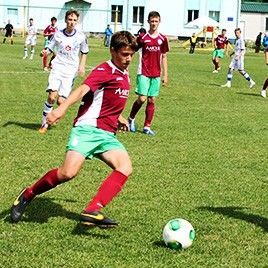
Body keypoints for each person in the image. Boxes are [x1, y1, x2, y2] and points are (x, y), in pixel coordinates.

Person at [10, 30, 139, 228]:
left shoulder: (124, 72)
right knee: (67, 173)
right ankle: (28, 194)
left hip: (106, 134)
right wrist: (61, 108)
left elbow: (108, 99)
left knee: (125, 167)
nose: (129, 59)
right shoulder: (104, 70)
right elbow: (82, 90)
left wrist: (118, 117)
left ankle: (93, 209)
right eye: (124, 54)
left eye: (131, 54)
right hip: (87, 130)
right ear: (112, 51)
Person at [38, 10, 89, 134]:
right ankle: (44, 124)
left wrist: (82, 66)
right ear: (66, 20)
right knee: (52, 97)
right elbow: (50, 47)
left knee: (61, 101)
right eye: (70, 19)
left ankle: (55, 116)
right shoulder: (58, 34)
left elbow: (84, 51)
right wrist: (45, 52)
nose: (71, 22)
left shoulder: (81, 36)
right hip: (57, 67)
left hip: (70, 71)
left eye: (74, 20)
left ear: (77, 21)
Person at [128, 11, 169, 136]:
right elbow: (132, 51)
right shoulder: (142, 38)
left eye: (156, 21)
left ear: (159, 22)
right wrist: (127, 66)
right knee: (142, 98)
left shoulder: (163, 39)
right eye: (152, 21)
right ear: (148, 22)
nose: (154, 24)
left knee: (152, 100)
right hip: (143, 72)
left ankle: (147, 126)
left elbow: (164, 56)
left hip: (156, 73)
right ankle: (131, 118)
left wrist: (165, 74)